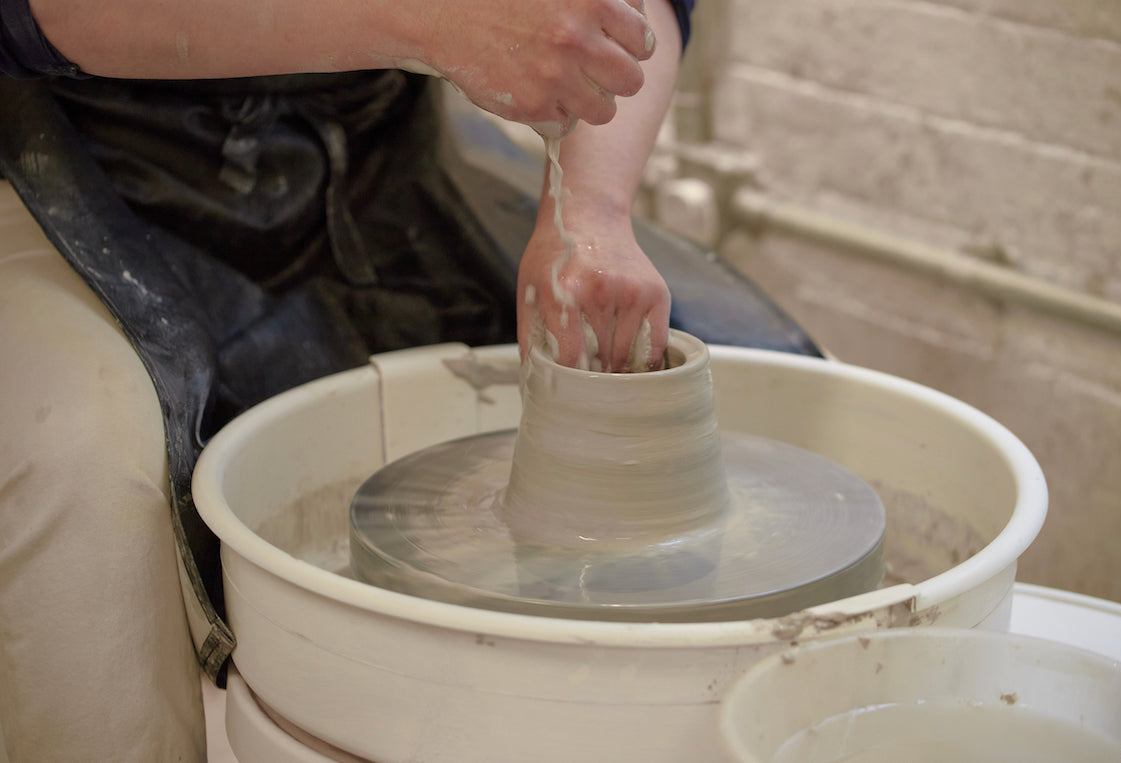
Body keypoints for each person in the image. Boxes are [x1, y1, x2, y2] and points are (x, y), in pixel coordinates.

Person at [0, 0, 692, 759]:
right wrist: (426, 21)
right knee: (77, 465)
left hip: (372, 138)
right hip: (53, 137)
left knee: (653, 347)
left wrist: (590, 211)